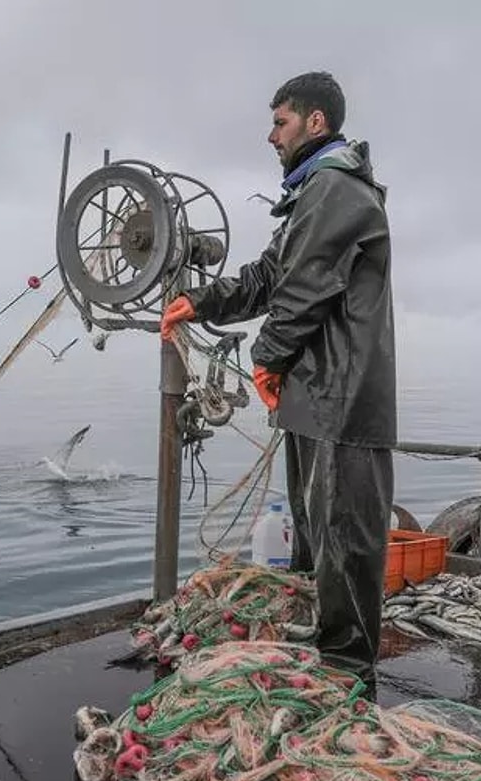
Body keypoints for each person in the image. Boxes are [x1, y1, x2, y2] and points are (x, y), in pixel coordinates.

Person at [160, 71, 397, 698]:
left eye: (280, 121)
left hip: (342, 399)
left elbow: (308, 283)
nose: (271, 135)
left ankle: (347, 677)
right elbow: (271, 274)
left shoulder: (337, 188)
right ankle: (324, 652)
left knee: (345, 538)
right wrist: (201, 300)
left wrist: (266, 357)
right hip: (313, 398)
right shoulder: (310, 195)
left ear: (316, 122)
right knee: (315, 535)